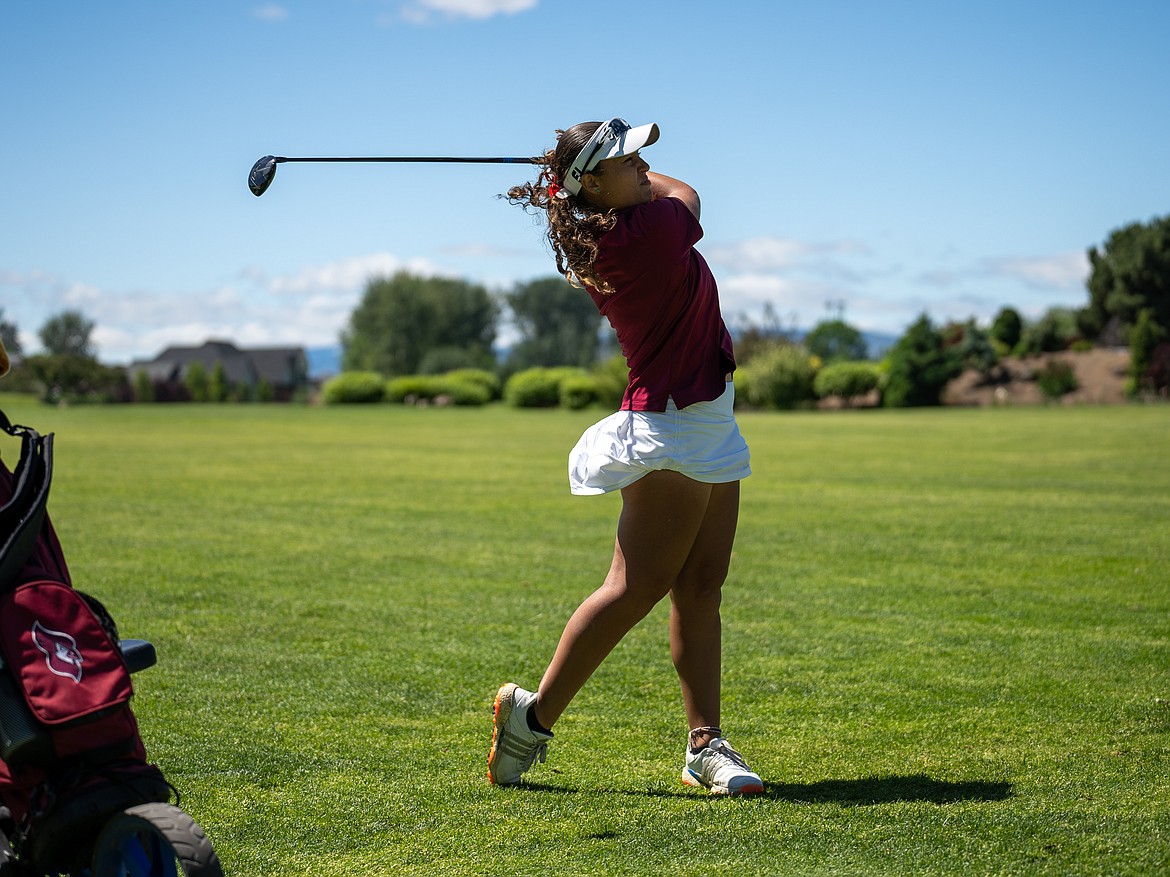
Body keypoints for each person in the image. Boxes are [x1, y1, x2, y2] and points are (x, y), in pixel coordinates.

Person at [488, 119, 763, 795]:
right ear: (591, 184)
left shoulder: (612, 229)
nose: (643, 165)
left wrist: (575, 183)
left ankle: (706, 745)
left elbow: (658, 190)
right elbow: (689, 192)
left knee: (701, 588)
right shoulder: (641, 236)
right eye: (625, 159)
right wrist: (571, 184)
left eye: (640, 154)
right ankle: (532, 718)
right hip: (670, 427)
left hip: (708, 418)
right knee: (633, 588)